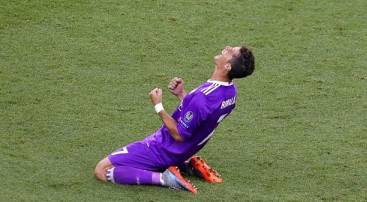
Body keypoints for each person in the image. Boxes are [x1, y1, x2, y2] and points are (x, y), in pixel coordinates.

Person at [94, 46, 255, 193]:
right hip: (184, 151)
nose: (226, 48)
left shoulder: (203, 97)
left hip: (162, 148)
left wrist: (158, 106)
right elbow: (203, 117)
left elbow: (178, 134)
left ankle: (165, 178)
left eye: (231, 51)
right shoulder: (230, 93)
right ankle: (185, 164)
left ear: (228, 66)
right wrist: (181, 95)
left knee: (102, 169)